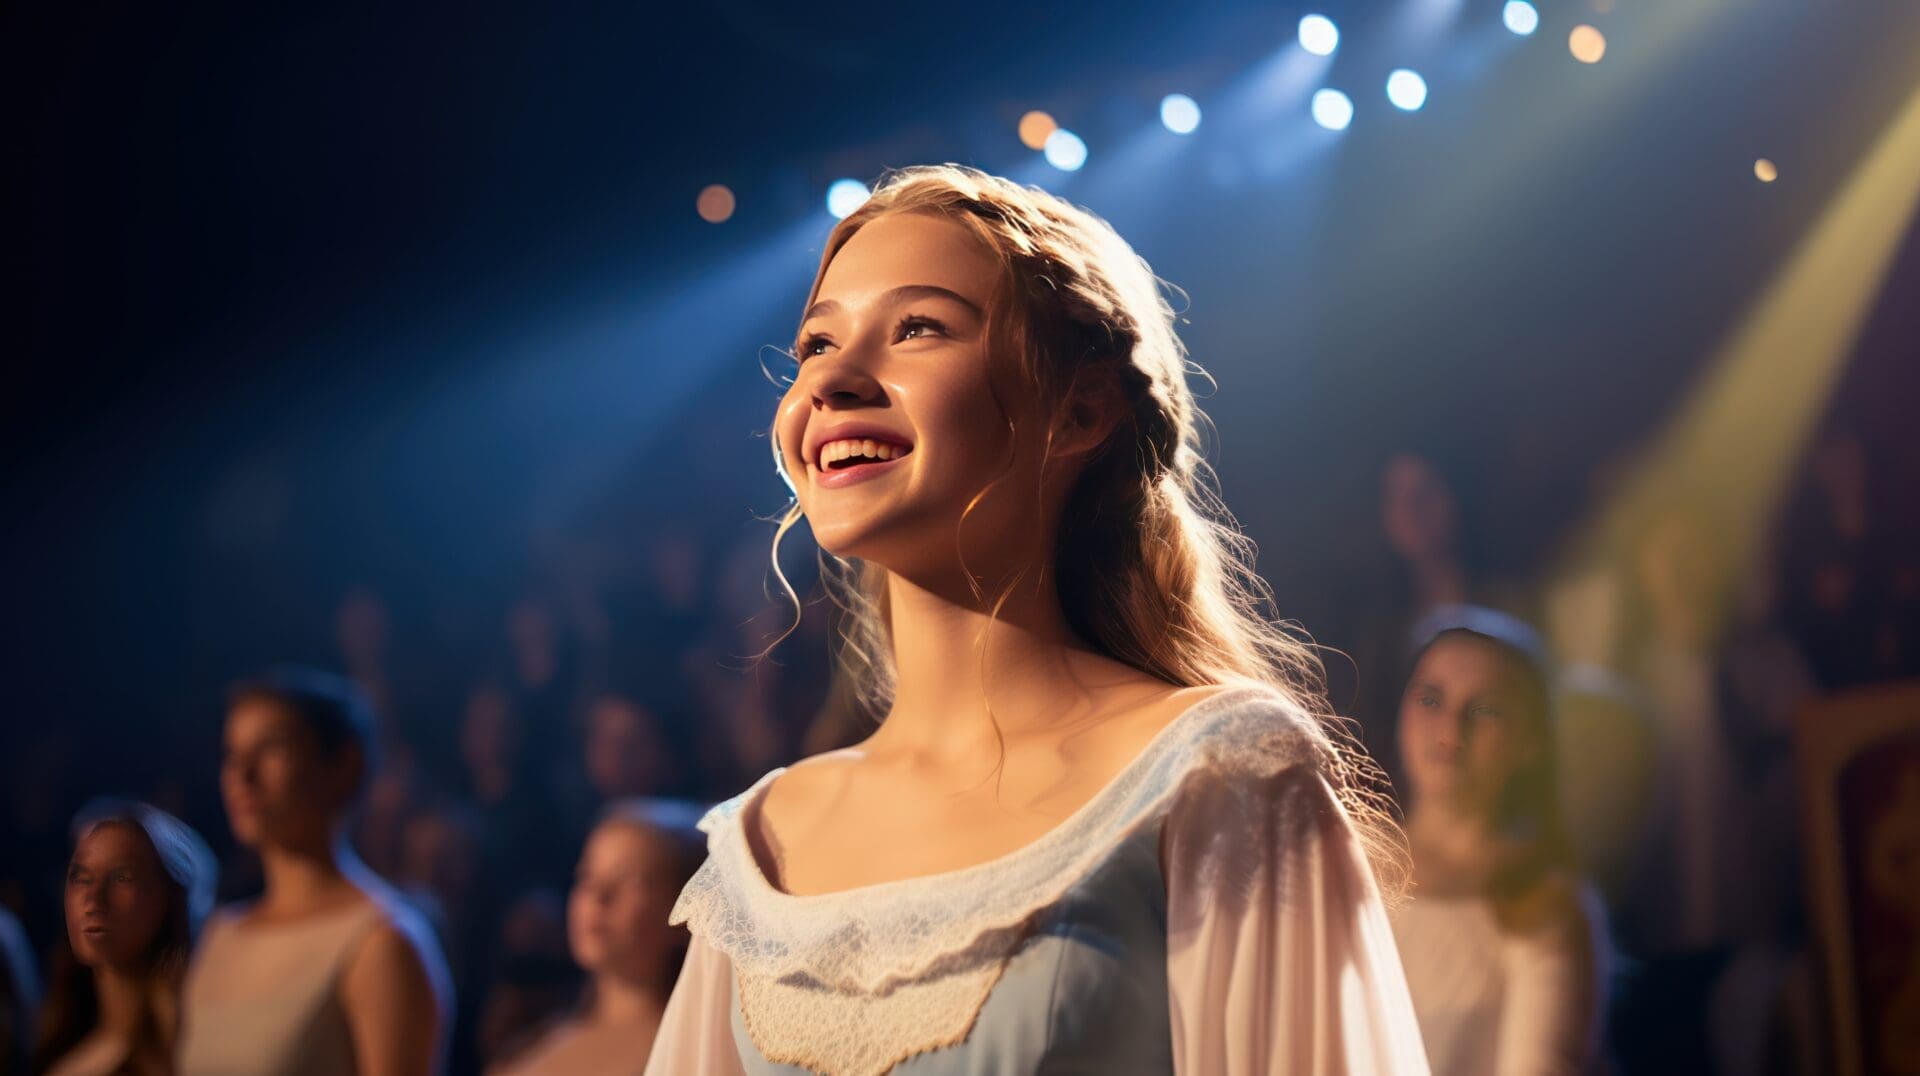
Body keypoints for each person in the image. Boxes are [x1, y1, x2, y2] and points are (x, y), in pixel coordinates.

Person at [643, 165, 1426, 1074]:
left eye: (918, 327)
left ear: (1081, 410)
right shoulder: (761, 843)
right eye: (817, 344)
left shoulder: (1213, 775)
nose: (836, 381)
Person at [176, 666, 453, 1076]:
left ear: (345, 766)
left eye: (272, 748)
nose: (242, 775)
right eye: (233, 754)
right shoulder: (221, 935)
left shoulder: (381, 943)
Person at [1389, 608, 1608, 1075]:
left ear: (1530, 742)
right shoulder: (1348, 868)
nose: (1451, 730)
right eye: (1431, 700)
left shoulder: (1541, 907)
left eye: (1484, 709)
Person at [490, 800, 705, 1074]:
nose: (598, 896)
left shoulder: (691, 1051)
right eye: (587, 876)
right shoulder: (533, 1041)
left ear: (685, 909)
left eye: (631, 880)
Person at [32, 799, 216, 1076]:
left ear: (170, 896)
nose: (93, 900)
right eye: (81, 878)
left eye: (121, 878)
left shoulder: (197, 1047)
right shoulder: (61, 1040)